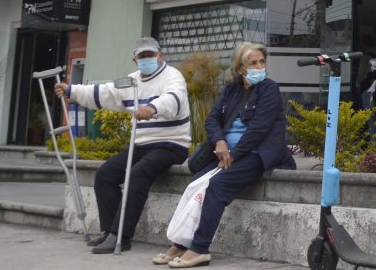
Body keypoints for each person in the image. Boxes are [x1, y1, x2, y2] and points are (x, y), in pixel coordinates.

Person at [159, 42, 295, 268]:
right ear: (241, 68)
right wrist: (220, 143)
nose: (259, 66)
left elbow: (259, 129)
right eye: (253, 63)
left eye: (262, 62)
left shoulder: (269, 89)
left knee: (216, 186)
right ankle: (182, 242)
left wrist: (234, 154)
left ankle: (200, 249)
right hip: (226, 153)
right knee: (196, 184)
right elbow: (212, 119)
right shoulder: (232, 90)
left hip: (255, 154)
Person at [55, 36, 190, 254]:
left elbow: (173, 99)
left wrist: (153, 108)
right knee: (105, 175)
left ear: (160, 55)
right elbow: (104, 93)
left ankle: (122, 236)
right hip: (141, 145)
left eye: (150, 55)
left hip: (171, 144)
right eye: (142, 56)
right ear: (135, 59)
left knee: (137, 175)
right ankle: (110, 231)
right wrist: (72, 91)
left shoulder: (173, 77)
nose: (147, 59)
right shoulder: (131, 81)